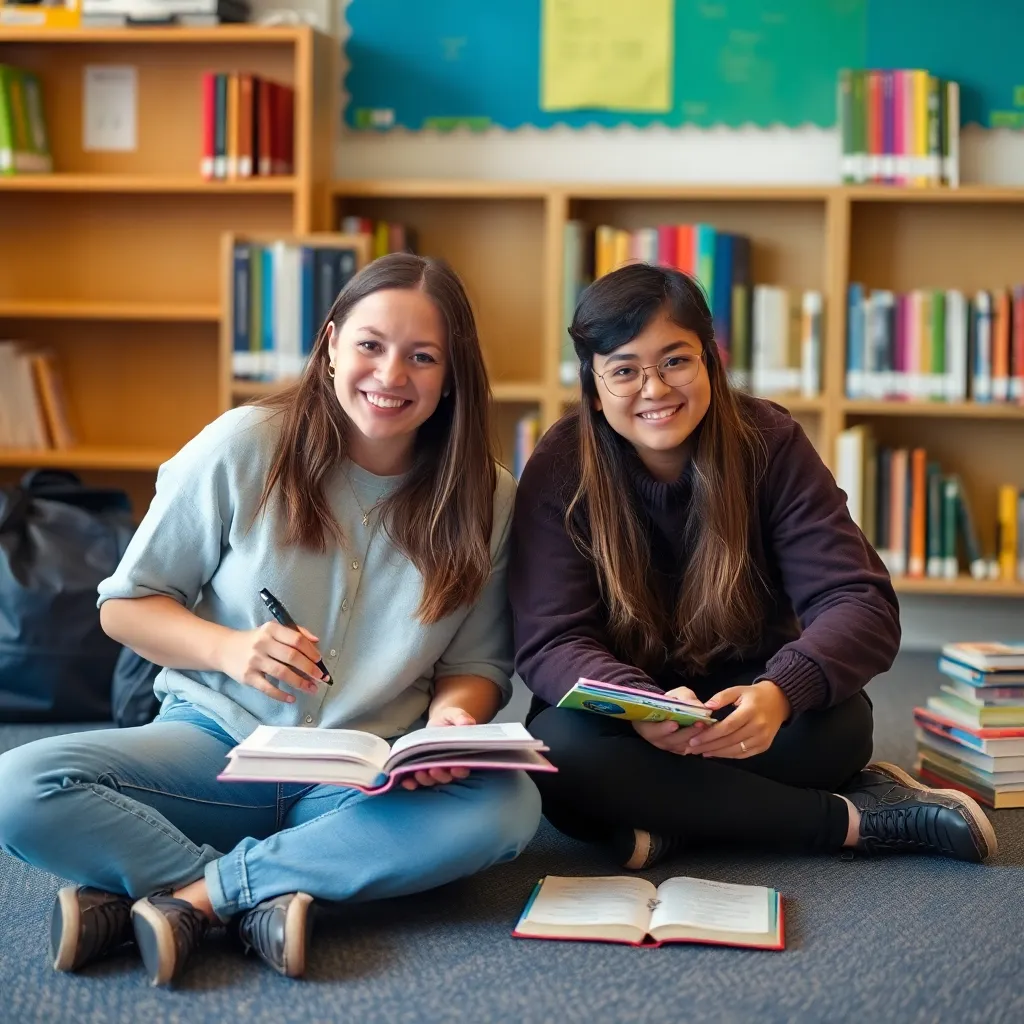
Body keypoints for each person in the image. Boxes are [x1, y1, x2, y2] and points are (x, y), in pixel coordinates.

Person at [0, 253, 541, 986]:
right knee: (20, 786)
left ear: (452, 377)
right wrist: (229, 649)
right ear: (330, 347)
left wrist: (450, 723)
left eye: (422, 357)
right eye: (371, 346)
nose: (390, 375)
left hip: (362, 777)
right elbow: (125, 606)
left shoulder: (488, 497)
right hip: (214, 750)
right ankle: (261, 894)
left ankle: (188, 896)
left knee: (508, 806)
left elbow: (475, 667)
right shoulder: (243, 445)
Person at [508, 262, 996, 871]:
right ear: (594, 384)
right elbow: (551, 639)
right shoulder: (560, 464)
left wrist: (780, 693)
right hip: (627, 720)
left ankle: (674, 820)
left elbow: (859, 601)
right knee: (560, 756)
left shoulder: (769, 440)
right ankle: (851, 822)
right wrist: (639, 705)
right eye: (625, 371)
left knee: (841, 729)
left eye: (675, 361)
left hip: (754, 701)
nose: (654, 390)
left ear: (710, 360)